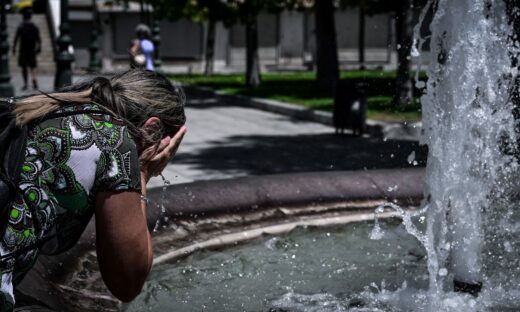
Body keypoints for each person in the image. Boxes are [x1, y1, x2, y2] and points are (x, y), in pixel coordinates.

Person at [0, 69, 187, 310]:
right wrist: (141, 173)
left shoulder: (50, 109)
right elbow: (127, 283)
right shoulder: (113, 141)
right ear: (151, 130)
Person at [12, 8, 41, 91]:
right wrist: (39, 47)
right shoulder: (34, 26)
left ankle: (25, 84)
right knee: (33, 66)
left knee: (24, 67)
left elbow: (16, 38)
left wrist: (14, 48)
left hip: (23, 50)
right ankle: (34, 79)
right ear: (30, 17)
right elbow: (38, 38)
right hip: (32, 49)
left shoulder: (21, 26)